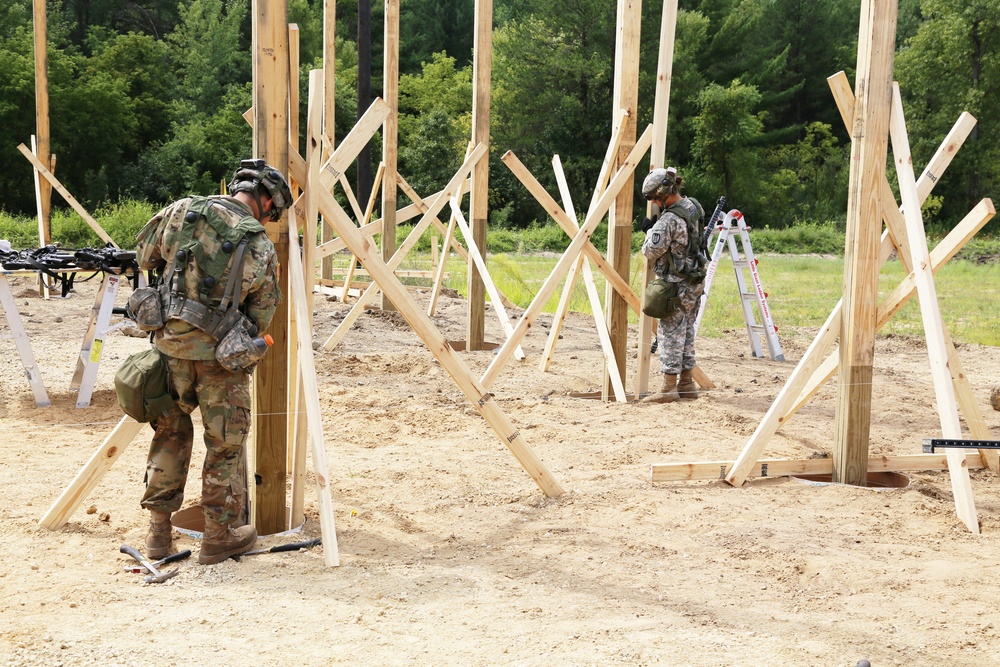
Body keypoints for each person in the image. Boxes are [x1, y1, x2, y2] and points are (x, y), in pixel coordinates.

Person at [133, 159, 290, 564]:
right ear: (266, 202)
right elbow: (261, 315)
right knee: (224, 447)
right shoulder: (259, 245)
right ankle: (218, 536)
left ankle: (158, 534)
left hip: (169, 352)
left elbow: (145, 256)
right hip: (221, 363)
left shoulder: (181, 210)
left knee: (169, 435)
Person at [639, 167, 707, 404]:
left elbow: (650, 250)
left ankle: (669, 388)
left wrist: (649, 231)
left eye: (655, 198)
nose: (655, 203)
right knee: (687, 332)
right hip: (694, 282)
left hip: (675, 286)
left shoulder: (669, 220)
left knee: (670, 335)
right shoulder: (693, 207)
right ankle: (687, 384)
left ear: (662, 194)